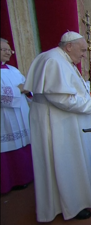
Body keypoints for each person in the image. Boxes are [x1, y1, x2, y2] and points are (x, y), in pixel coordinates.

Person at [24, 31, 91, 222]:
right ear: (69, 46)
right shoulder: (54, 60)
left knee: (62, 163)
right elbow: (61, 98)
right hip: (56, 124)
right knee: (65, 163)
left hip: (61, 121)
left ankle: (63, 204)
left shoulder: (61, 59)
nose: (84, 54)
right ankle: (71, 206)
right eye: (82, 50)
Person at [0, 38, 34, 194]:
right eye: (4, 49)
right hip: (5, 117)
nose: (8, 52)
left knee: (24, 145)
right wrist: (19, 90)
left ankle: (25, 178)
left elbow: (26, 87)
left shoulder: (13, 70)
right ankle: (8, 183)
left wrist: (29, 90)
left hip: (21, 113)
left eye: (9, 50)